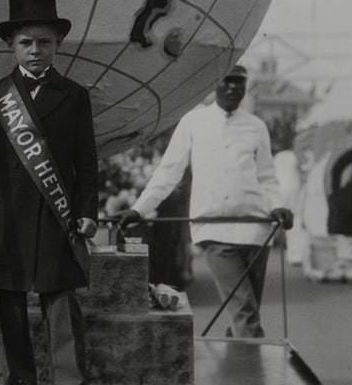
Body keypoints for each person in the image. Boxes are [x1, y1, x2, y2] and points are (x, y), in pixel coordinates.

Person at [0, 0, 99, 385]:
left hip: (57, 219)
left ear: (58, 45)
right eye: (25, 43)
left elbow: (86, 163)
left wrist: (88, 210)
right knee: (9, 308)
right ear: (10, 46)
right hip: (8, 218)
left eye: (44, 42)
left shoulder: (74, 96)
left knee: (62, 309)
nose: (35, 50)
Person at [119, 65, 293, 339]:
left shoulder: (256, 126)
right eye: (228, 81)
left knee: (244, 310)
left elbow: (267, 177)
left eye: (240, 83)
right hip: (214, 230)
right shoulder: (193, 122)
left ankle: (233, 366)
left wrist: (277, 206)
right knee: (245, 312)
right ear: (215, 83)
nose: (234, 88)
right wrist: (139, 209)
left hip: (257, 229)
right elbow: (169, 171)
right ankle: (251, 377)